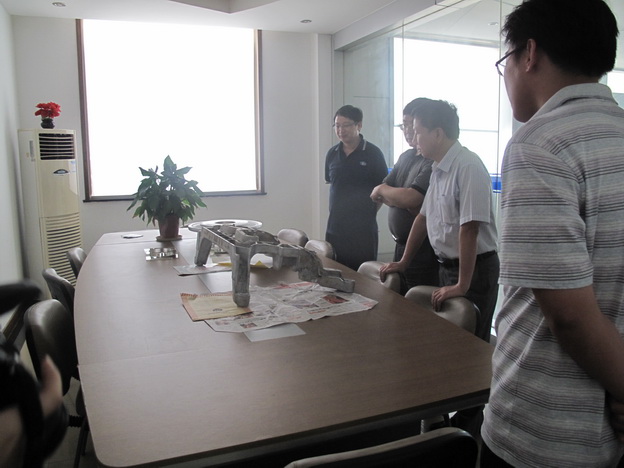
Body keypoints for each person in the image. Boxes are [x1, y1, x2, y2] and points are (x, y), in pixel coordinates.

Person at [480, 0, 624, 466]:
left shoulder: (540, 144)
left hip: (544, 431)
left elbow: (571, 318)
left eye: (504, 60)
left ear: (529, 54)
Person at [379, 98, 499, 343]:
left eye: (418, 132)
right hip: (446, 267)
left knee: (471, 343)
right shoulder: (438, 168)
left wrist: (462, 285)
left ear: (437, 133)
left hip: (474, 271)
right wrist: (403, 262)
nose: (414, 138)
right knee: (447, 341)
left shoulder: (468, 166)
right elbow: (423, 218)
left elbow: (470, 229)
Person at [370, 98, 438, 294]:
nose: (407, 131)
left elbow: (412, 199)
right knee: (397, 297)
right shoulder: (406, 156)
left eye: (410, 125)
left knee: (417, 301)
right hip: (400, 245)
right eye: (404, 125)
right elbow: (378, 192)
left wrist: (394, 196)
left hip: (423, 249)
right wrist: (395, 196)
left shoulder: (431, 161)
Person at [325, 105, 388, 271]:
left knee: (363, 276)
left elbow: (382, 190)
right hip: (335, 228)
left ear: (359, 125)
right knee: (335, 273)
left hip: (363, 231)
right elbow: (333, 186)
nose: (341, 130)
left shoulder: (373, 153)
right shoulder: (332, 153)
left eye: (346, 125)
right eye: (337, 125)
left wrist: (367, 211)